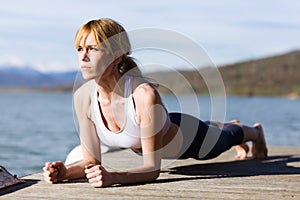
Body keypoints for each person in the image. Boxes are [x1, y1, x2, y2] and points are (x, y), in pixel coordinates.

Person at [43, 18, 268, 188]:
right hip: (162, 131)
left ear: (117, 56)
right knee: (217, 128)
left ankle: (253, 132)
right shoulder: (83, 97)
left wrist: (114, 177)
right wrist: (66, 172)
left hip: (190, 139)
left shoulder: (143, 95)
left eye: (93, 49)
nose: (83, 57)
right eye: (80, 49)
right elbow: (91, 162)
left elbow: (152, 169)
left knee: (224, 139)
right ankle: (227, 125)